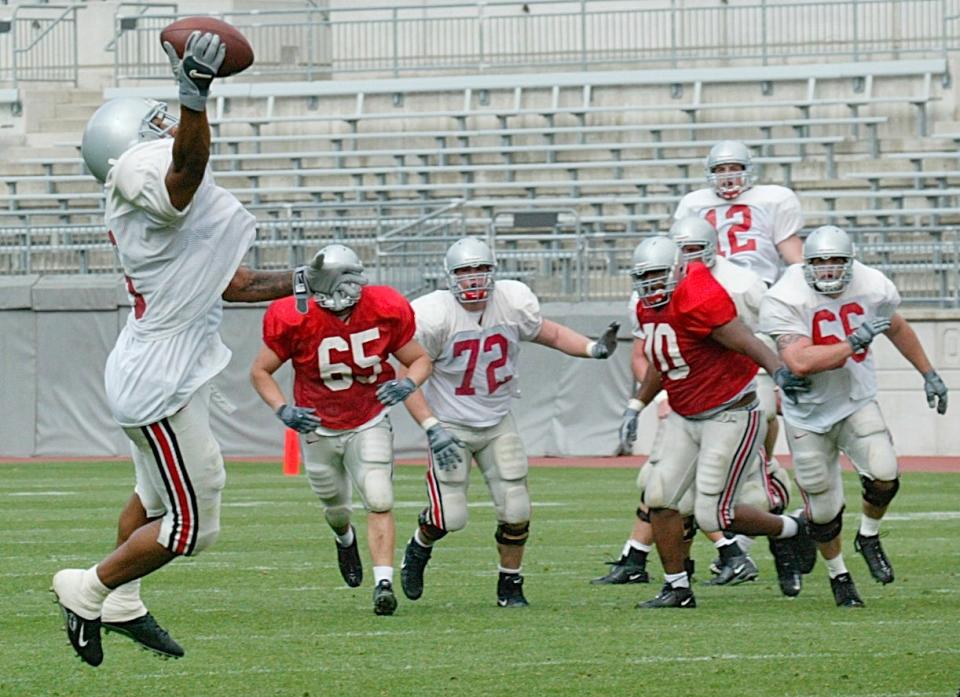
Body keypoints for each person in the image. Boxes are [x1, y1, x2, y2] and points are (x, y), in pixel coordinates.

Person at [53, 32, 300, 667]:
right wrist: (194, 94)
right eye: (154, 119)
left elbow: (235, 282)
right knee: (193, 526)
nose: (167, 122)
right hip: (159, 379)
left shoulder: (148, 177)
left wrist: (307, 283)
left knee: (157, 501)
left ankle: (124, 602)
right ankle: (86, 589)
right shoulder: (137, 169)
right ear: (125, 142)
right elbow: (183, 176)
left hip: (166, 367)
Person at [396, 237, 620, 607]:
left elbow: (552, 333)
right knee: (449, 517)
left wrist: (593, 348)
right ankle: (419, 546)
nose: (473, 278)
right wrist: (431, 426)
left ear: (494, 272)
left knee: (516, 508)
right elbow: (407, 374)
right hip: (451, 423)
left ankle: (510, 584)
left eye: (481, 269)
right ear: (449, 277)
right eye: (465, 271)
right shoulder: (432, 314)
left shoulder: (512, 300)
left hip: (497, 420)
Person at [599, 218, 800, 597]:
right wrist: (636, 404)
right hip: (685, 412)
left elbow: (743, 338)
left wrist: (778, 370)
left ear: (678, 268)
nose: (653, 285)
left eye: (660, 275)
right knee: (659, 498)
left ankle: (792, 530)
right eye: (645, 277)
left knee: (713, 514)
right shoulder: (647, 306)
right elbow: (665, 357)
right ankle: (677, 587)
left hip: (730, 411)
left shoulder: (698, 295)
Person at [760, 225, 948, 607]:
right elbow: (797, 361)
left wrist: (928, 373)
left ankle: (868, 535)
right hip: (808, 414)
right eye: (819, 262)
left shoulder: (872, 284)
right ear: (806, 264)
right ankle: (839, 576)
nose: (828, 270)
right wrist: (852, 342)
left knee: (885, 473)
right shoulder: (785, 294)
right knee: (823, 508)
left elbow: (894, 325)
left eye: (836, 261)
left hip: (855, 398)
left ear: (851, 261)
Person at [250, 243, 438, 617]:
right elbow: (260, 371)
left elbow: (419, 359)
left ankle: (383, 583)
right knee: (335, 507)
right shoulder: (293, 315)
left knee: (380, 497)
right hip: (318, 425)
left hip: (369, 417)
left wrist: (407, 384)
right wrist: (282, 409)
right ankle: (344, 537)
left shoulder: (383, 306)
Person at [674, 139, 805, 516]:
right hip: (707, 300)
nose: (727, 177)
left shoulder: (773, 198)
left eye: (734, 169)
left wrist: (799, 290)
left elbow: (789, 251)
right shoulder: (694, 204)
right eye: (720, 170)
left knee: (761, 408)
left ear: (749, 171)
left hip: (754, 300)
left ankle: (761, 462)